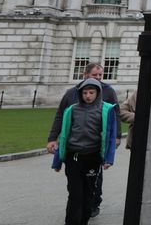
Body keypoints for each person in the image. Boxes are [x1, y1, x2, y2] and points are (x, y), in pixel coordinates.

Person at [48, 62, 119, 218]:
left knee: (91, 188)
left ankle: (92, 206)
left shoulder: (108, 93)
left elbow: (113, 123)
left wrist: (115, 142)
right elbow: (63, 125)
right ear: (85, 75)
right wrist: (53, 139)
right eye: (95, 75)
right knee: (75, 192)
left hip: (94, 153)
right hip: (74, 154)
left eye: (100, 75)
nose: (88, 95)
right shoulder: (71, 99)